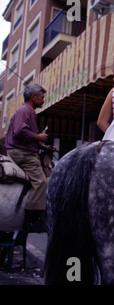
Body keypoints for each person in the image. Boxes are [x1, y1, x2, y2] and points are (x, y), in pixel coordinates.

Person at [5, 84, 54, 230]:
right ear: (33, 97)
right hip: (23, 154)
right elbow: (20, 132)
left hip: (22, 150)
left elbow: (26, 137)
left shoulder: (26, 111)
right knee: (40, 182)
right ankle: (31, 219)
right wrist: (38, 136)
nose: (43, 101)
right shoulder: (25, 110)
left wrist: (43, 146)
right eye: (42, 98)